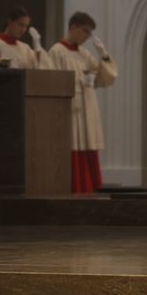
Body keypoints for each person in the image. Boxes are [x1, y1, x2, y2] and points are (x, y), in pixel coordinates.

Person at [46, 12, 118, 193]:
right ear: (73, 27)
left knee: (88, 146)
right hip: (70, 111)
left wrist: (104, 56)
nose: (87, 37)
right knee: (73, 145)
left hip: (87, 109)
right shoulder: (56, 52)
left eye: (90, 33)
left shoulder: (84, 54)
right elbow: (51, 83)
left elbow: (104, 79)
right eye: (85, 31)